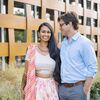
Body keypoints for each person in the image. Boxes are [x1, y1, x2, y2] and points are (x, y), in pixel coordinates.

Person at [58, 11, 97, 100]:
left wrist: (85, 89)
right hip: (63, 89)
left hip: (78, 89)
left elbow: (92, 67)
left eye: (62, 25)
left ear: (70, 24)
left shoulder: (84, 42)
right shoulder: (63, 44)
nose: (60, 28)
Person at [21, 22, 60, 100]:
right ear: (39, 33)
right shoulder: (31, 49)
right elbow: (26, 72)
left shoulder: (55, 51)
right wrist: (22, 87)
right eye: (43, 31)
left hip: (51, 86)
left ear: (51, 34)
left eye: (48, 32)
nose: (46, 34)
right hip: (36, 86)